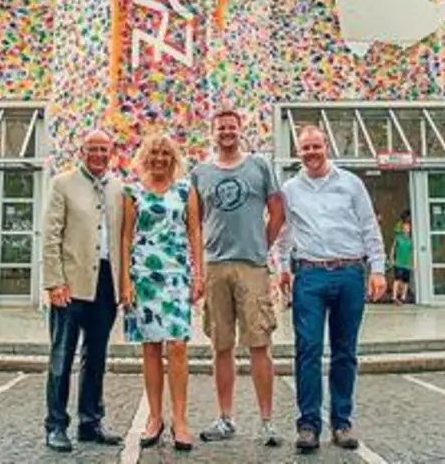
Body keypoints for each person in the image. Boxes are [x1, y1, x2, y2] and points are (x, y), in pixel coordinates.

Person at [275, 125, 388, 453]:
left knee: (345, 351)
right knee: (307, 349)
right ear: (299, 152)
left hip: (350, 273)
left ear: (327, 147)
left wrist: (378, 270)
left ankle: (342, 422)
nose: (310, 153)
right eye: (305, 148)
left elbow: (369, 227)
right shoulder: (290, 189)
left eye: (315, 146)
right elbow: (285, 231)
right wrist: (282, 267)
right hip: (310, 275)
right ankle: (308, 424)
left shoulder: (351, 184)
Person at [192, 108, 286, 447]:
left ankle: (266, 421)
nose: (227, 132)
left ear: (240, 129)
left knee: (260, 343)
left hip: (251, 265)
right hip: (216, 266)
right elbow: (195, 222)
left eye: (232, 127)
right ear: (213, 133)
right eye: (221, 128)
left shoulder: (259, 165)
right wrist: (198, 269)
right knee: (221, 345)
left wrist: (262, 245)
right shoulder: (200, 172)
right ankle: (226, 417)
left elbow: (278, 210)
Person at [119, 131, 204, 452]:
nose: (159, 159)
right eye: (154, 154)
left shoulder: (185, 190)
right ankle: (155, 418)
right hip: (143, 278)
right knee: (151, 348)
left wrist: (199, 274)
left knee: (178, 347)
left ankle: (180, 420)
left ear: (173, 159)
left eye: (165, 154)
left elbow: (194, 230)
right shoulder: (133, 192)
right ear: (145, 157)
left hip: (176, 277)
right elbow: (127, 237)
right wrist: (125, 283)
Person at [40, 129, 125, 453]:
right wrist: (54, 281)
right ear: (82, 151)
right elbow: (50, 236)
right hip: (70, 283)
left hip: (105, 283)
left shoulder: (118, 187)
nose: (99, 155)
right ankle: (56, 425)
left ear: (111, 152)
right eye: (93, 149)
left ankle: (90, 422)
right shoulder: (63, 184)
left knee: (96, 357)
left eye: (104, 149)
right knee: (62, 357)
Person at [391, 213, 414, 304]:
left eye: (408, 228)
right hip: (399, 262)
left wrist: (412, 263)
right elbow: (393, 249)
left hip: (407, 263)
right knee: (397, 279)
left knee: (405, 281)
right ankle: (394, 296)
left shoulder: (410, 240)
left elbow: (412, 252)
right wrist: (392, 258)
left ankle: (403, 297)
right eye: (404, 228)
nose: (406, 230)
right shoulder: (398, 238)